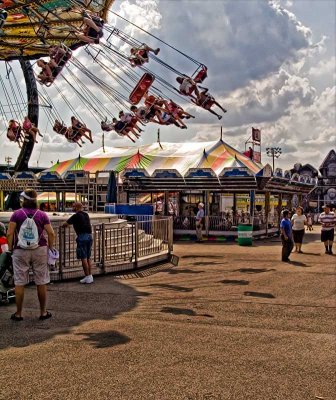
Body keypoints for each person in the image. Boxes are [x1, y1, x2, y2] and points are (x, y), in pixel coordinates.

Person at [6, 189, 55, 321]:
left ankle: (18, 313)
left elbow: (10, 233)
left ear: (23, 200)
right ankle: (43, 312)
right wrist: (50, 248)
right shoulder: (42, 215)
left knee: (19, 282)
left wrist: (10, 248)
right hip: (40, 249)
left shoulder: (16, 214)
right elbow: (51, 233)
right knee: (41, 281)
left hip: (20, 250)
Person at [62, 202, 93, 284]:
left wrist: (65, 225)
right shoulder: (86, 214)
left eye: (73, 206)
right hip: (89, 236)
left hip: (82, 237)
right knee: (88, 257)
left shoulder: (75, 216)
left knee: (83, 258)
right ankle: (90, 276)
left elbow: (65, 224)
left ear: (76, 207)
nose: (72, 208)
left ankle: (87, 276)